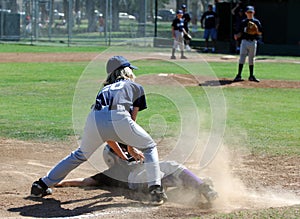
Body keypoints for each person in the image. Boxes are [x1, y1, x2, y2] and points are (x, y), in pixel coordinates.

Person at [30, 56, 168, 205]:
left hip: (94, 118)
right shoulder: (135, 87)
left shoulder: (105, 89)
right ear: (126, 72)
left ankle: (41, 185)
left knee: (80, 154)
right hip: (119, 115)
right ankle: (155, 191)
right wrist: (130, 147)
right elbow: (130, 121)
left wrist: (126, 148)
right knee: (149, 147)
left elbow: (107, 131)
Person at [56, 144, 218, 203]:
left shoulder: (137, 159)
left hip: (150, 173)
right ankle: (192, 188)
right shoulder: (112, 173)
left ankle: (202, 187)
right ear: (112, 158)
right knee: (152, 174)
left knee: (170, 165)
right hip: (138, 181)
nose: (125, 152)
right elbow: (85, 181)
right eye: (120, 151)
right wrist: (60, 182)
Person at [233, 6, 262, 82]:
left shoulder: (256, 22)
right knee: (242, 57)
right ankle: (239, 75)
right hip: (244, 41)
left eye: (251, 12)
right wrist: (237, 36)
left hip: (253, 41)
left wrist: (256, 30)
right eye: (248, 12)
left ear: (253, 13)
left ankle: (251, 76)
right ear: (246, 13)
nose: (250, 14)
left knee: (251, 59)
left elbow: (260, 33)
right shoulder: (243, 22)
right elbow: (240, 32)